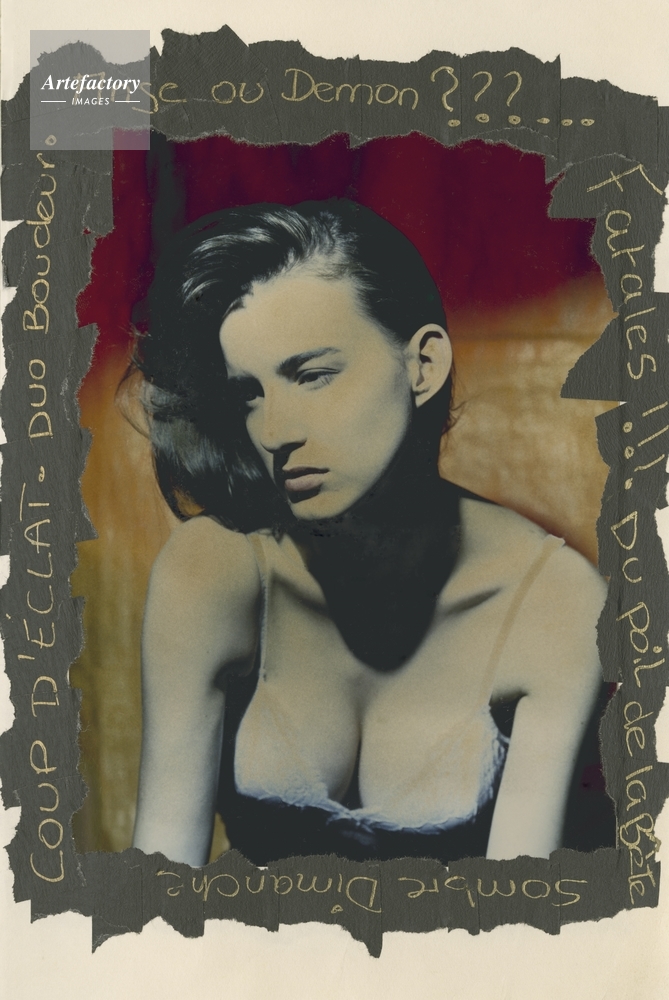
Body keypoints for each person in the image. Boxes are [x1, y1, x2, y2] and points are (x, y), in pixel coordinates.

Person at [130, 199, 607, 868]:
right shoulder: (213, 570)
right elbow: (162, 881)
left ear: (422, 366)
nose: (275, 432)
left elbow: (518, 914)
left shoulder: (554, 603)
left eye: (312, 376)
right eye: (249, 395)